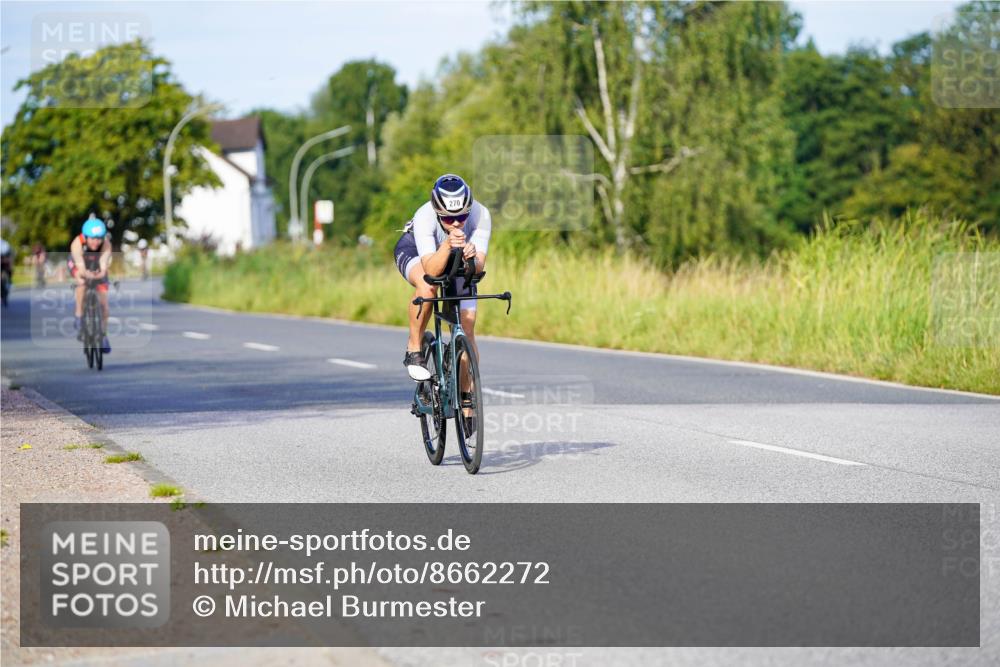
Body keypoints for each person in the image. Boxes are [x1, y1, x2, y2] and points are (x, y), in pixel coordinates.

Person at [394, 173, 492, 381]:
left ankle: (467, 402)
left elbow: (479, 266)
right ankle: (414, 349)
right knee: (427, 287)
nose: (456, 223)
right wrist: (447, 243)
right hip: (416, 252)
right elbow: (431, 270)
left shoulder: (481, 214)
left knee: (467, 326)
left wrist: (472, 259)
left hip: (456, 256)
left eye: (462, 216)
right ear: (437, 211)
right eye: (448, 218)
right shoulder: (424, 216)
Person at [68, 214, 112, 353]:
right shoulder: (77, 243)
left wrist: (100, 273)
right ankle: (79, 313)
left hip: (96, 265)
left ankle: (103, 335)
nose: (96, 242)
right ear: (85, 237)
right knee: (81, 282)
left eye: (99, 238)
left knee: (104, 305)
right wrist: (85, 274)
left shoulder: (106, 244)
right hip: (79, 263)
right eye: (93, 238)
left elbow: (103, 265)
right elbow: (80, 267)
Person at [0, 239, 12, 308]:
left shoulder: (5, 245)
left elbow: (9, 259)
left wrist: (10, 267)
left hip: (5, 266)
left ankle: (4, 295)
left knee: (5, 279)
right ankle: (3, 295)